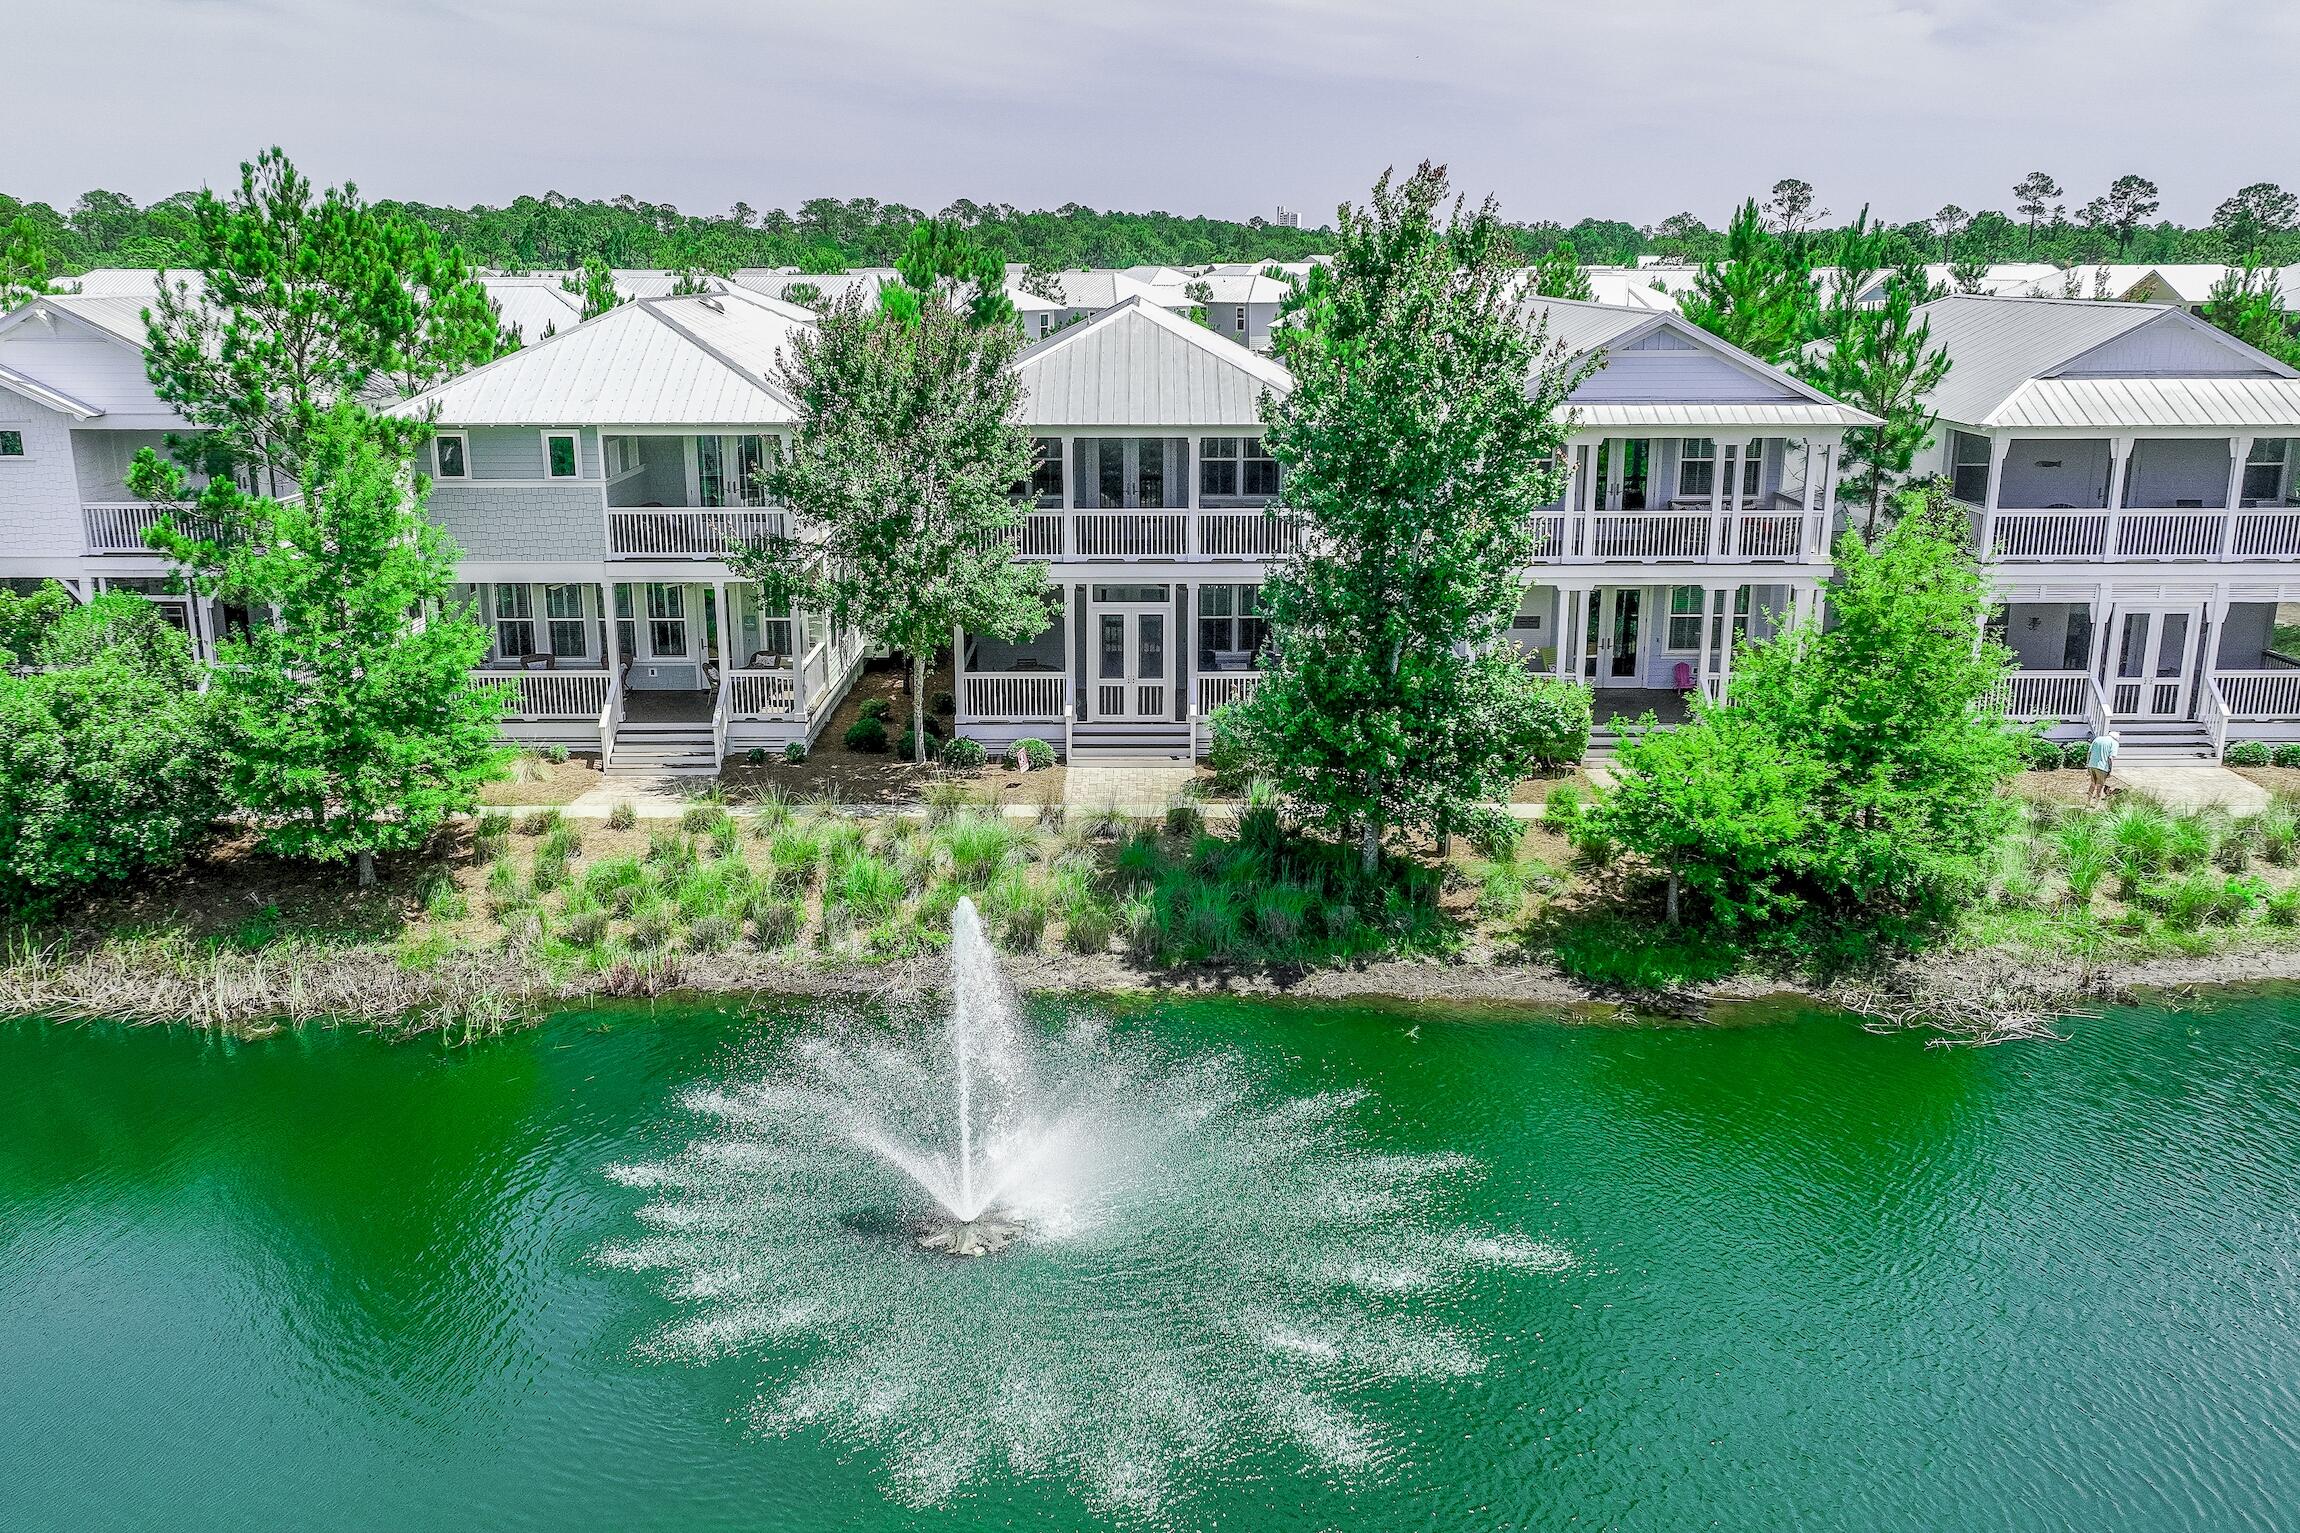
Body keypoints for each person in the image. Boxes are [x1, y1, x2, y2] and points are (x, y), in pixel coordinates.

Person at [2086, 730, 2120, 805]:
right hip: (2102, 767)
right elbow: (2110, 758)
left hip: (2092, 765)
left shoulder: (2097, 739)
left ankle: (2088, 802)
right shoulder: (2114, 742)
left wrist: (2088, 765)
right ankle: (2096, 805)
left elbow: (2089, 753)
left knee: (2092, 784)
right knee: (2099, 786)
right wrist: (2110, 770)